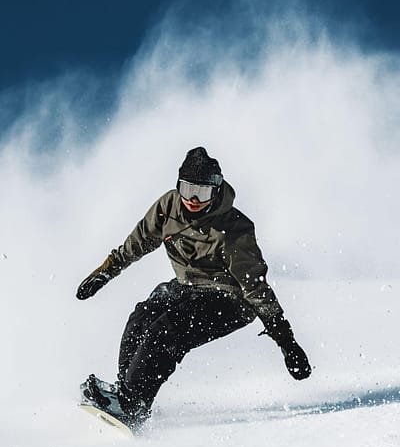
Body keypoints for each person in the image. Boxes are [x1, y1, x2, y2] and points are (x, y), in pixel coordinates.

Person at [76, 147, 311, 423]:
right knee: (142, 316)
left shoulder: (233, 229)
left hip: (231, 299)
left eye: (202, 192)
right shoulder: (168, 208)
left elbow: (255, 287)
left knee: (166, 330)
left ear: (216, 190)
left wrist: (286, 342)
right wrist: (105, 272)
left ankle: (134, 404)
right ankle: (126, 392)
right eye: (187, 189)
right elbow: (137, 243)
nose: (194, 200)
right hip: (188, 286)